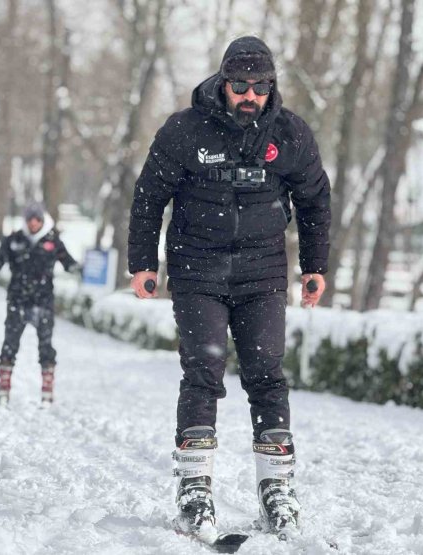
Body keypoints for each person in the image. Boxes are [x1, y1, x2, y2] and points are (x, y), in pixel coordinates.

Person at [128, 36, 330, 540]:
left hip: (262, 274)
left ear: (270, 87)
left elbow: (315, 200)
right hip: (197, 271)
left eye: (260, 86)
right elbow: (149, 196)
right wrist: (141, 263)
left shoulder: (290, 135)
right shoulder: (184, 129)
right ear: (223, 83)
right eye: (240, 85)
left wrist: (314, 266)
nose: (250, 95)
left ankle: (277, 489)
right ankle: (195, 487)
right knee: (204, 369)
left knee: (266, 371)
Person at [0, 203, 81, 407]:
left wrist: (77, 268)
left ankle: (47, 390)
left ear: (42, 220)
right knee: (10, 344)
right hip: (17, 301)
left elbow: (67, 261)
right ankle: (4, 388)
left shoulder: (52, 241)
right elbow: (0, 260)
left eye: (37, 219)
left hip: (43, 302)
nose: (33, 223)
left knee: (46, 347)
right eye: (30, 219)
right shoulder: (14, 240)